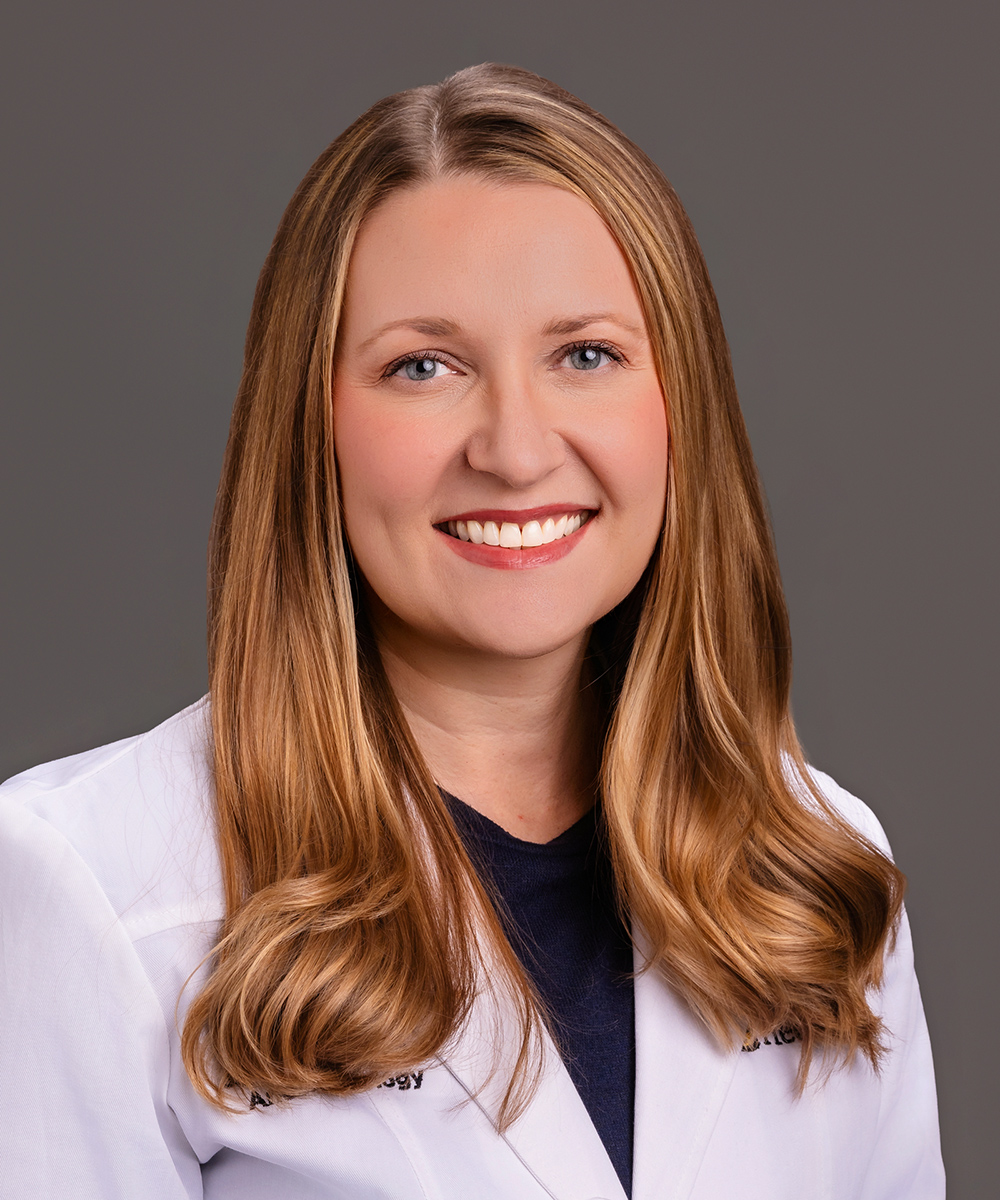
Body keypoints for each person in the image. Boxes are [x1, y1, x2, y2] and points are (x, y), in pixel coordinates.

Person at [0, 63, 944, 1199]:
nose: (514, 448)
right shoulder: (86, 889)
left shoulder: (818, 868)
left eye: (585, 355)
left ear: (678, 405)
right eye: (424, 366)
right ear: (311, 425)